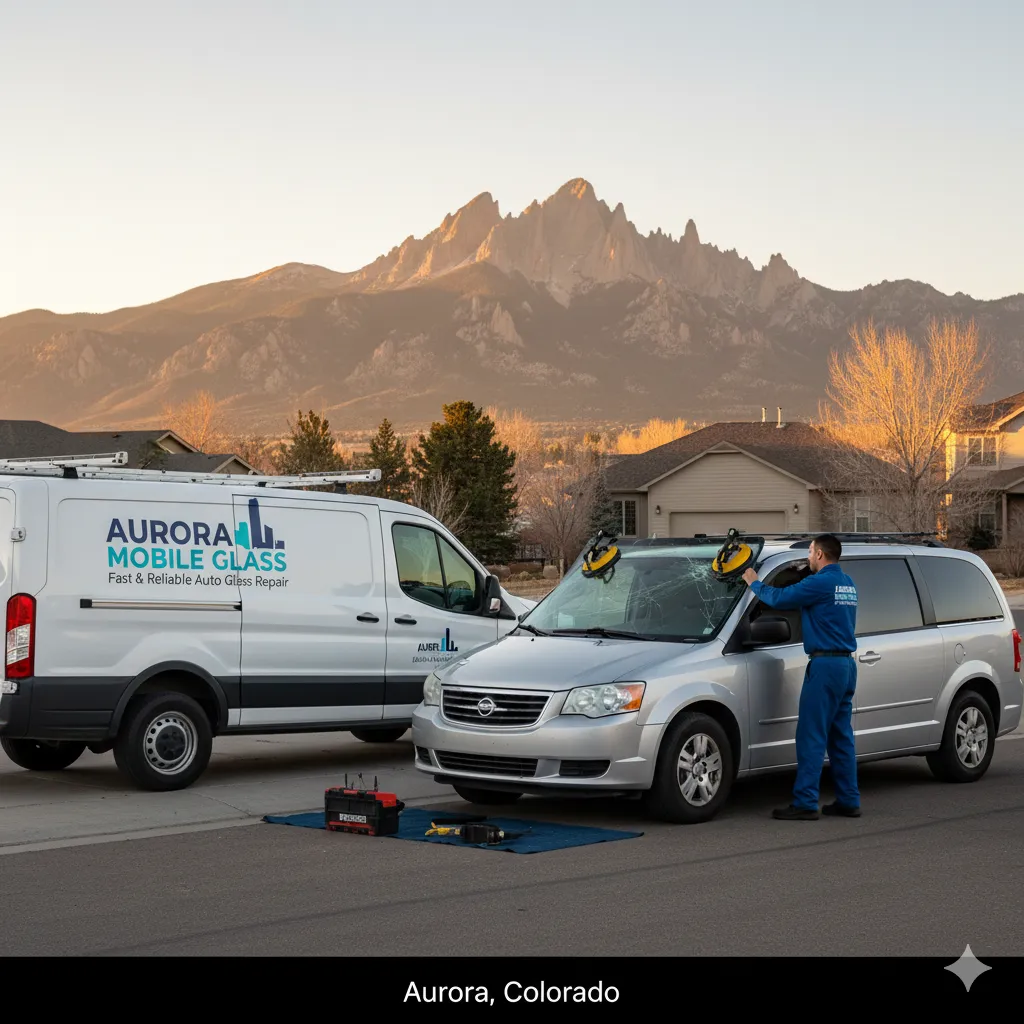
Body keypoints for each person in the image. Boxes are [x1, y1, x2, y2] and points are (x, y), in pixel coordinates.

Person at [741, 534, 861, 820]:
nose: (808, 557)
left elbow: (780, 598)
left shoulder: (820, 583)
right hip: (846, 666)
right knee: (841, 736)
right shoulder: (848, 583)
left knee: (811, 735)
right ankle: (848, 800)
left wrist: (754, 582)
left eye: (809, 552)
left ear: (820, 554)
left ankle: (806, 802)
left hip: (825, 667)